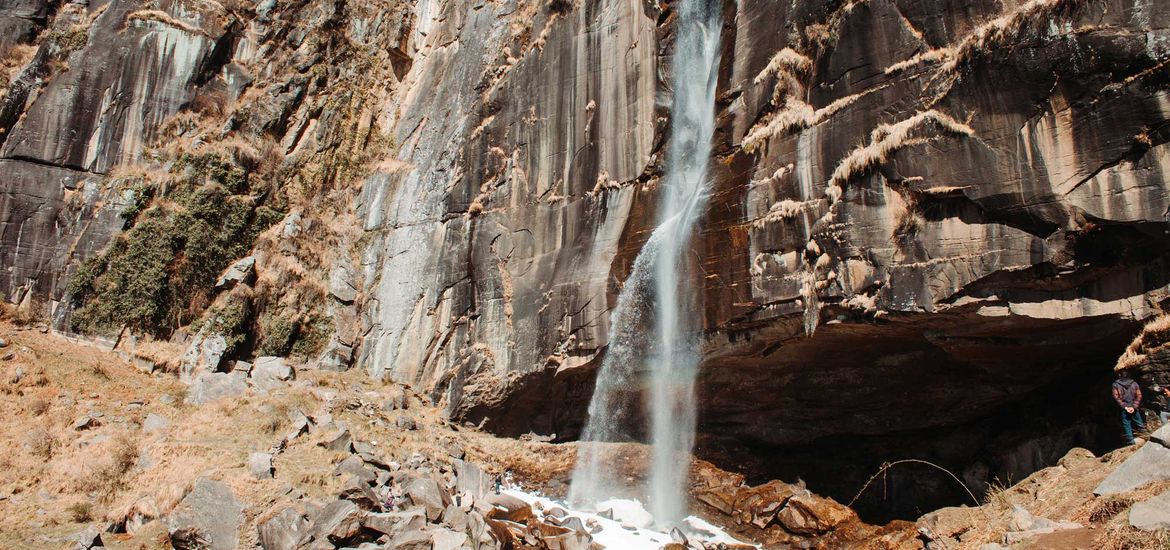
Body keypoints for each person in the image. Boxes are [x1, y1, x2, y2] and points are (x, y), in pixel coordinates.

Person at [1112, 369, 1145, 445]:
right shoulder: (1135, 383)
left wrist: (1125, 407)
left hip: (1125, 408)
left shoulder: (1115, 384)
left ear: (1120, 375)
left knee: (1126, 424)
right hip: (1134, 407)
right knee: (1140, 423)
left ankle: (1131, 442)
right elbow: (1139, 396)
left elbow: (1116, 397)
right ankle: (1146, 437)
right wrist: (1134, 406)